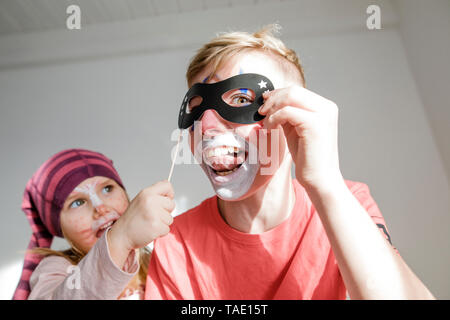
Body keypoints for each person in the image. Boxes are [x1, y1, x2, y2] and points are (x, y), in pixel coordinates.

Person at [145, 25, 435, 299]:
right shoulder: (174, 241)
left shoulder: (349, 202)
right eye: (196, 109)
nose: (206, 126)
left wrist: (325, 183)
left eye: (241, 100)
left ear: (292, 116)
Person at [13, 148, 174, 300]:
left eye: (107, 189)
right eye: (78, 202)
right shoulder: (55, 269)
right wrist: (120, 238)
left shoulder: (154, 260)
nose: (100, 208)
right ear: (59, 227)